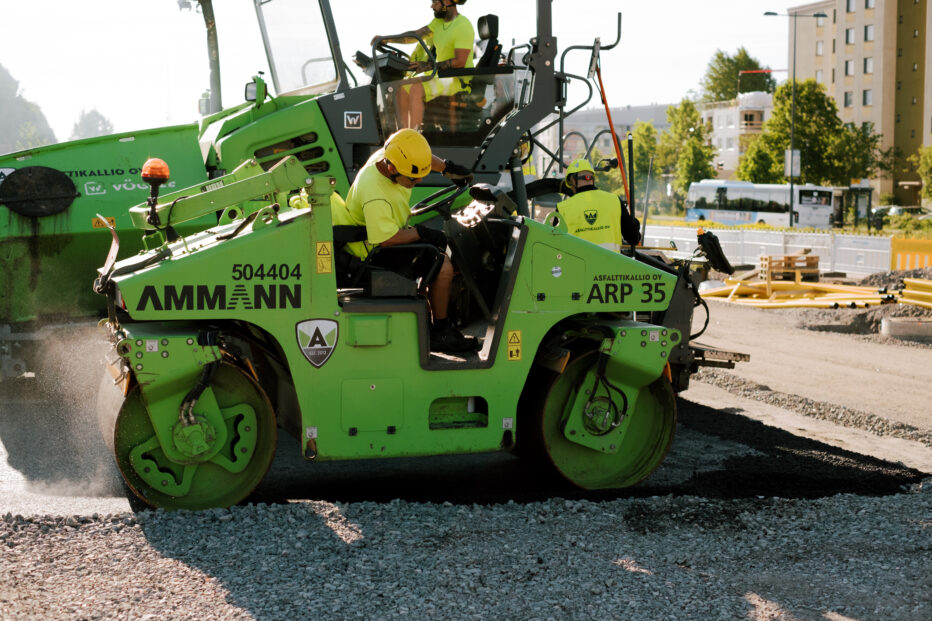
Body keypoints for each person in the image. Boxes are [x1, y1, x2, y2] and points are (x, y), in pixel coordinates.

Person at [333, 128, 477, 354]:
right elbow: (386, 238)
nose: (419, 179)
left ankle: (432, 316)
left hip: (383, 236)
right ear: (391, 169)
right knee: (442, 265)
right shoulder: (374, 190)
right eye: (413, 178)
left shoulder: (393, 155)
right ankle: (441, 332)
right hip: (371, 251)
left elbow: (419, 157)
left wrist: (448, 169)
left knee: (434, 251)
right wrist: (421, 233)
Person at [393, 0, 475, 129]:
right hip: (442, 75)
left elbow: (459, 62)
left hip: (458, 79)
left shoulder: (463, 25)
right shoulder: (438, 23)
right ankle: (403, 134)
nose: (432, 6)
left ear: (447, 2)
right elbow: (415, 35)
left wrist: (427, 66)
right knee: (402, 88)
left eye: (435, 2)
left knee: (416, 89)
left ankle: (413, 137)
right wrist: (386, 39)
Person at [554, 159, 641, 251]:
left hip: (577, 264)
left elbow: (554, 243)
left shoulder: (563, 208)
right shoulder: (614, 201)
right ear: (592, 179)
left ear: (572, 180)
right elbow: (633, 239)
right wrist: (634, 224)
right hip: (610, 264)